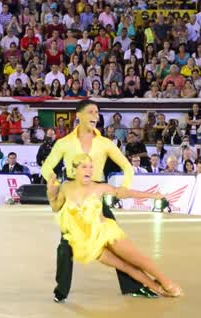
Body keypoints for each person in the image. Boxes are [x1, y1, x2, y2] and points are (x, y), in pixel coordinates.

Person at [41, 99, 156, 302]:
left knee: (114, 242)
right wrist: (55, 183)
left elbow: (127, 167)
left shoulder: (105, 143)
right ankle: (61, 290)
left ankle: (134, 286)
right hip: (74, 197)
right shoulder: (64, 143)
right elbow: (47, 166)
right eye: (92, 112)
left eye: (97, 113)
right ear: (79, 115)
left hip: (96, 196)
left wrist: (124, 187)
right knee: (65, 245)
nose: (96, 116)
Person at [47, 154, 182, 298]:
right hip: (88, 242)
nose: (89, 170)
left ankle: (167, 283)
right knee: (124, 267)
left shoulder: (100, 187)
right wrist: (50, 193)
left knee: (137, 259)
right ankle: (158, 289)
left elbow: (125, 193)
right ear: (75, 170)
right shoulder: (66, 187)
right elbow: (56, 207)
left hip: (106, 232)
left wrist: (153, 196)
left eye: (91, 167)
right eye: (84, 166)